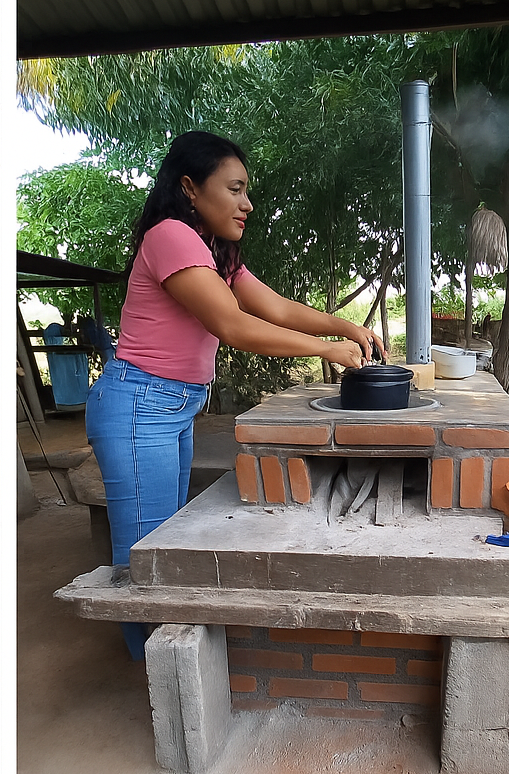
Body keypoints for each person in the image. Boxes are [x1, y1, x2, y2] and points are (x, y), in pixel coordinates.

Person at [83, 131, 381, 658]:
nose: (247, 204)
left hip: (169, 409)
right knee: (145, 555)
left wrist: (345, 327)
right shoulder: (171, 235)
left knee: (167, 544)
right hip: (139, 408)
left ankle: (165, 661)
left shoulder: (213, 254)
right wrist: (329, 351)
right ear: (191, 189)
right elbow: (233, 325)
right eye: (235, 188)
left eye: (248, 191)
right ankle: (156, 673)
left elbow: (279, 308)